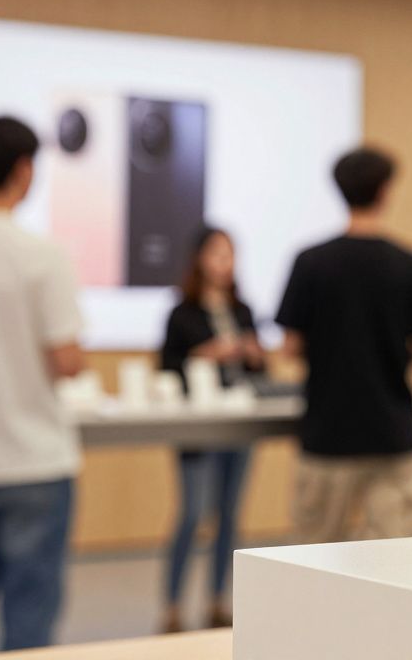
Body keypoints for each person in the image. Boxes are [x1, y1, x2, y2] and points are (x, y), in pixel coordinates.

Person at [0, 117, 85, 651]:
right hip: (33, 462)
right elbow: (67, 360)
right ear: (23, 170)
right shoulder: (41, 254)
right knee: (28, 629)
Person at [276, 147, 412, 543]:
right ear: (385, 191)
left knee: (313, 561)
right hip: (391, 431)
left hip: (326, 431)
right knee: (392, 563)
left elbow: (289, 345)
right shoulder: (410, 264)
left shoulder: (310, 262)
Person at [158, 227, 264, 632]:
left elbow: (261, 372)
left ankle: (219, 598)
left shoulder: (243, 311)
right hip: (198, 425)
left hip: (238, 424)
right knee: (192, 513)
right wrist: (206, 354)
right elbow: (166, 369)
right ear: (199, 258)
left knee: (230, 516)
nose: (225, 262)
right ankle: (172, 603)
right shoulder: (182, 312)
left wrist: (252, 354)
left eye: (230, 254)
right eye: (217, 254)